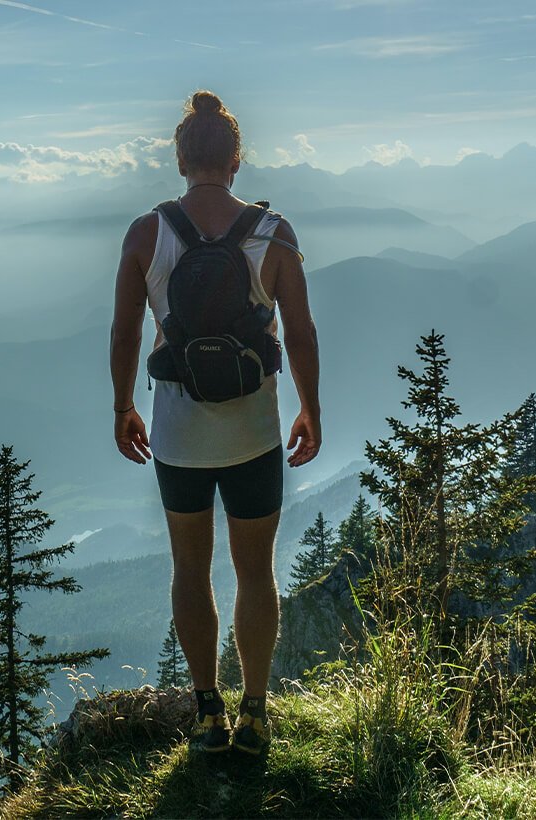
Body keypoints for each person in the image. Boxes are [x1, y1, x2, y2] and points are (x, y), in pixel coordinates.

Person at [108, 89, 320, 757]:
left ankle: (207, 714)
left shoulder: (148, 232)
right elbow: (302, 331)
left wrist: (122, 406)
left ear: (180, 158)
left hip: (178, 433)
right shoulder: (274, 233)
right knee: (255, 572)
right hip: (254, 431)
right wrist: (311, 407)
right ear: (236, 159)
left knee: (190, 568)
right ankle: (255, 713)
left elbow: (124, 329)